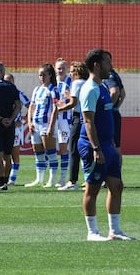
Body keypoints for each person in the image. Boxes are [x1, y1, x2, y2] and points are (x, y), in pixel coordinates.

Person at [78, 48, 134, 241]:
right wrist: (96, 148)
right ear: (96, 65)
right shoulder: (89, 89)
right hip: (95, 146)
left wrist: (109, 145)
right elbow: (88, 121)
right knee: (92, 188)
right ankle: (92, 232)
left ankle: (115, 230)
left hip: (107, 145)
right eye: (107, 62)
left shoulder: (102, 87)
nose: (111, 66)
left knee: (117, 186)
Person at [25, 63, 59, 188]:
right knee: (38, 152)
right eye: (40, 75)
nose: (41, 77)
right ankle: (39, 179)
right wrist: (30, 121)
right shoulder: (37, 89)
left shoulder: (53, 90)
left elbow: (56, 108)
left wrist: (51, 126)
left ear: (50, 75)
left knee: (50, 152)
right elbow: (31, 107)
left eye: (44, 74)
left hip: (46, 124)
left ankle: (52, 179)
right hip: (36, 124)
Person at [0, 63, 21, 191]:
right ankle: (5, 183)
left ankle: (1, 183)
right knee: (8, 155)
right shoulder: (11, 86)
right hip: (10, 125)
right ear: (3, 71)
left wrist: (0, 119)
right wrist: (11, 119)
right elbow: (18, 105)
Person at [57, 61, 88, 191]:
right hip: (88, 116)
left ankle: (72, 181)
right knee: (88, 148)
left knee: (74, 148)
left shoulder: (76, 83)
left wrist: (60, 109)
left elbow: (73, 103)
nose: (69, 73)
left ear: (76, 72)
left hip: (78, 117)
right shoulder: (87, 83)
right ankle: (90, 179)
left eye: (71, 71)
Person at [3, 73, 30, 186]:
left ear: (13, 82)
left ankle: (12, 178)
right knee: (1, 153)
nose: (8, 83)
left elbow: (30, 106)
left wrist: (24, 119)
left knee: (15, 153)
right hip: (2, 126)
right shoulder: (0, 93)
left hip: (15, 128)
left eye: (10, 81)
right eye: (6, 81)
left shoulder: (19, 94)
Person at [102, 51, 125, 165]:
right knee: (116, 146)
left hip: (110, 115)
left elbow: (115, 92)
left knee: (110, 145)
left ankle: (112, 176)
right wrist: (115, 107)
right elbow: (123, 94)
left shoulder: (108, 76)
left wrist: (108, 109)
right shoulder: (115, 74)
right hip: (116, 113)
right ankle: (117, 176)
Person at [55, 58, 72, 187]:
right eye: (58, 68)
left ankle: (63, 178)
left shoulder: (70, 82)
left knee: (64, 148)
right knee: (52, 149)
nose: (60, 70)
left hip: (65, 119)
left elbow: (73, 99)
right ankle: (52, 178)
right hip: (53, 120)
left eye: (62, 68)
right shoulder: (53, 82)